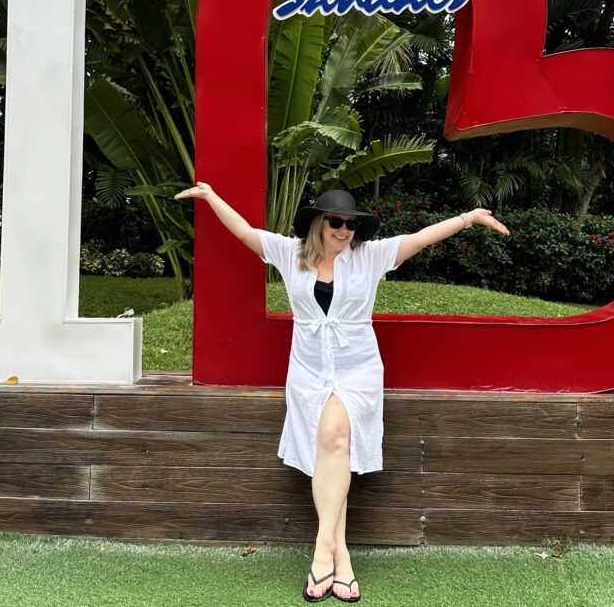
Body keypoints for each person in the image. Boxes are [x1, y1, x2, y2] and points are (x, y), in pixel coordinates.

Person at [174, 183, 509, 603]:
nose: (344, 230)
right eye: (336, 222)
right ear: (319, 223)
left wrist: (468, 218)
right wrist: (210, 196)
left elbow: (419, 239)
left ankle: (321, 550)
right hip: (309, 370)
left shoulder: (369, 257)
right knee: (334, 448)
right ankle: (342, 555)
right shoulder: (288, 253)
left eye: (351, 224)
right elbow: (244, 231)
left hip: (358, 368)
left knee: (334, 437)